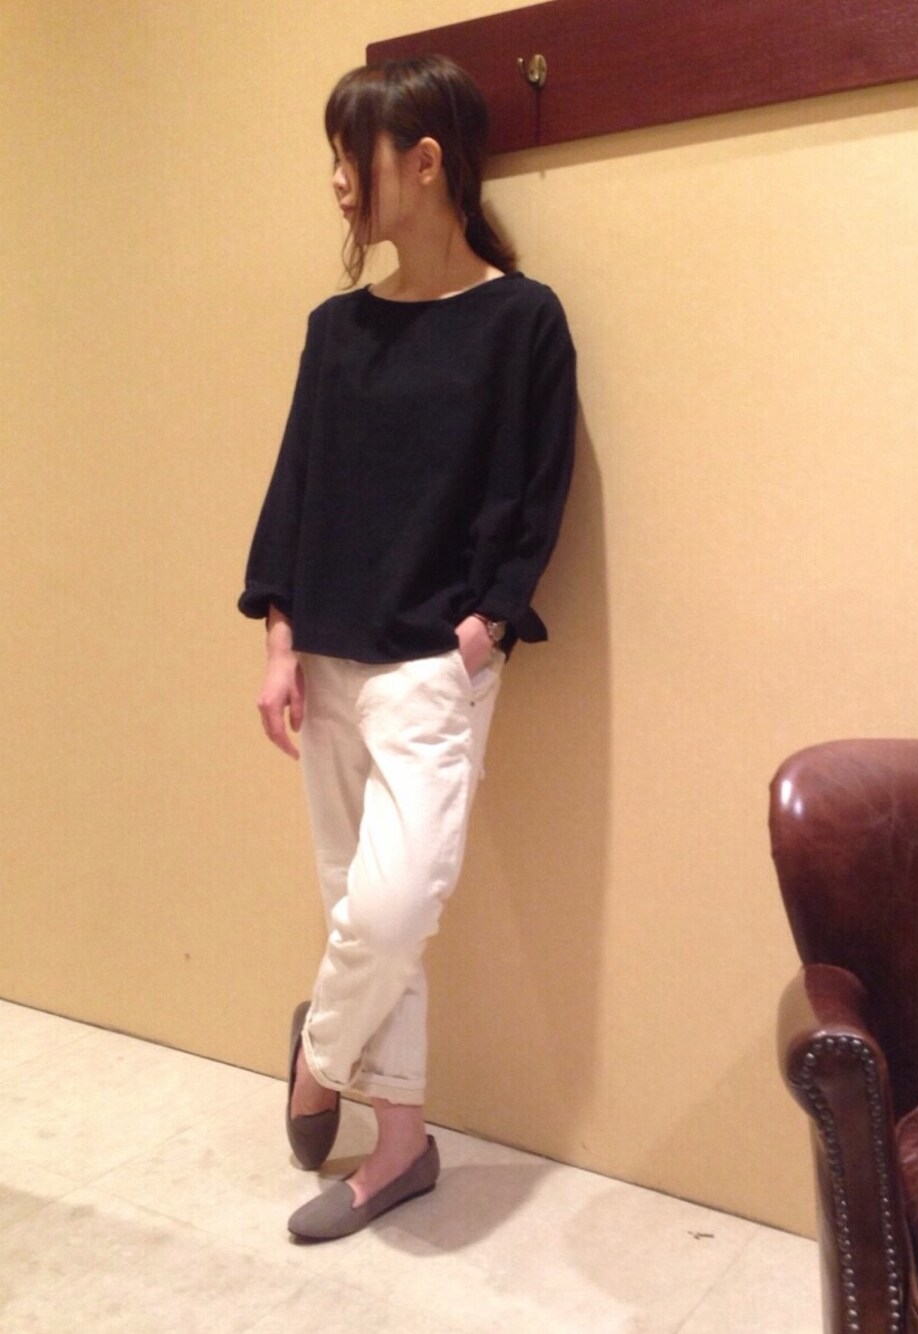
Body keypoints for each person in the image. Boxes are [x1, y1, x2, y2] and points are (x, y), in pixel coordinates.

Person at [238, 54, 576, 1242]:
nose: (338, 182)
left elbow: (538, 493)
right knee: (362, 912)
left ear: (424, 162)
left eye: (353, 156)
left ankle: (317, 1054)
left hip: (437, 662)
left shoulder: (522, 321)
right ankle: (400, 1149)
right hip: (328, 652)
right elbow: (297, 485)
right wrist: (280, 637)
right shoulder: (335, 331)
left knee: (386, 915)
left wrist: (485, 629)